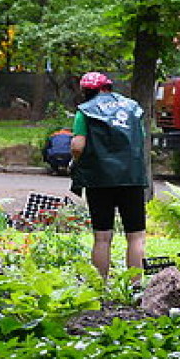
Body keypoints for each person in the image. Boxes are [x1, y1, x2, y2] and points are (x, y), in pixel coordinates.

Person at [68, 71, 148, 279]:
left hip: (99, 180)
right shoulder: (133, 108)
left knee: (102, 237)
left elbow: (78, 146)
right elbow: (139, 139)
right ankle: (135, 286)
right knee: (136, 236)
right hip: (131, 178)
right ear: (108, 87)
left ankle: (100, 285)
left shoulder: (84, 111)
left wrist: (76, 162)